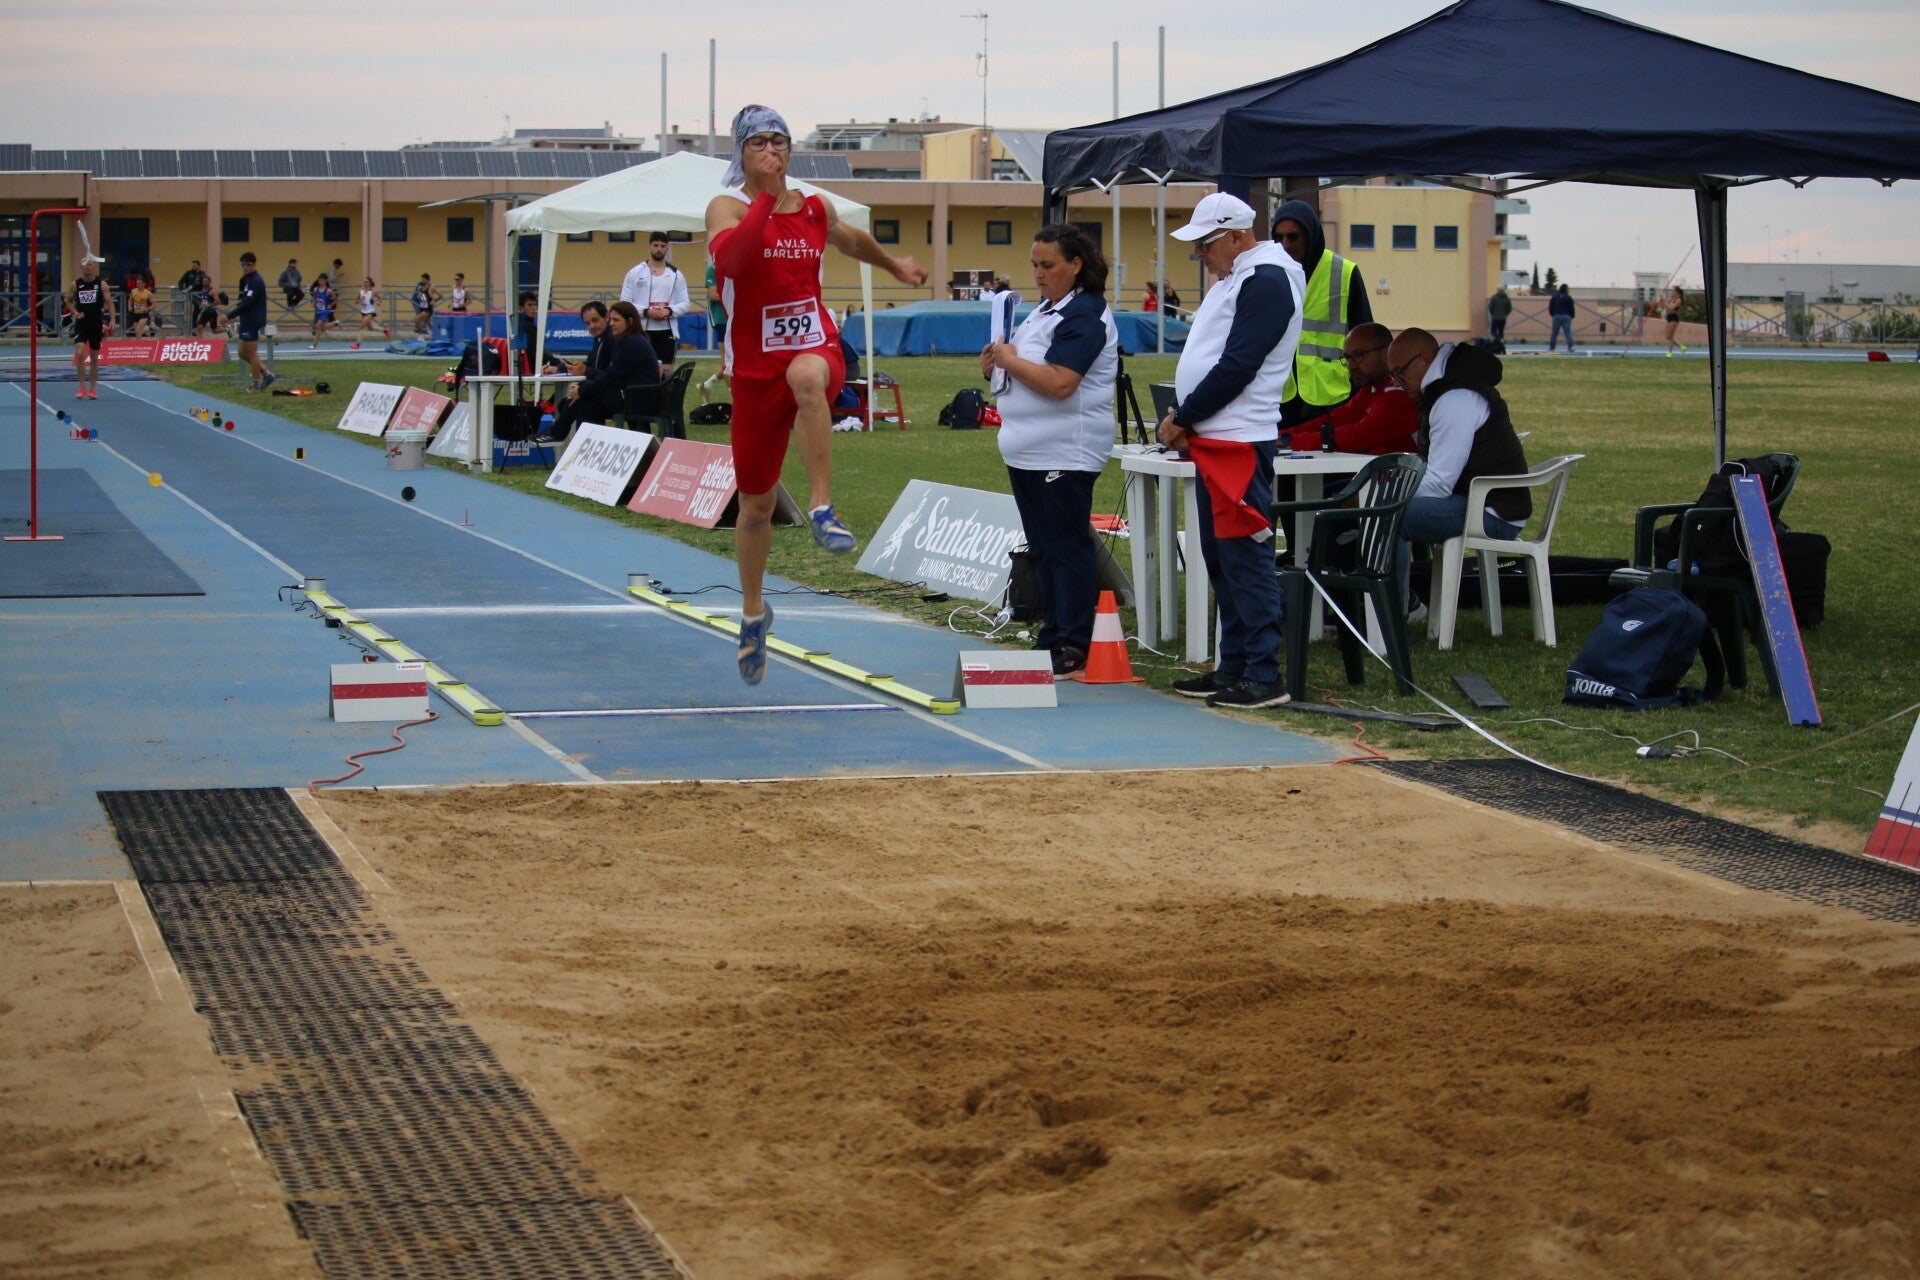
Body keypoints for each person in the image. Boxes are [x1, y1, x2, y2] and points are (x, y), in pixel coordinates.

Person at [707, 103, 928, 684]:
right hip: (754, 369)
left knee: (809, 377)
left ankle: (822, 506)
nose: (771, 151)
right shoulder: (728, 207)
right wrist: (764, 200)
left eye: (779, 141)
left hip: (812, 343)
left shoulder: (813, 207)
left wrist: (894, 265)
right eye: (758, 143)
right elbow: (732, 260)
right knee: (754, 507)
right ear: (741, 153)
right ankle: (752, 612)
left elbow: (852, 240)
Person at [1155, 192, 1303, 710]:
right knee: (1222, 557)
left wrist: (1183, 415)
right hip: (1217, 435)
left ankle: (1264, 674)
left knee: (1246, 556)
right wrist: (1184, 413)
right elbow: (1215, 357)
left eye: (1205, 243)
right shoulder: (1241, 276)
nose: (1198, 254)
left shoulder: (1267, 278)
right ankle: (1235, 666)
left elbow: (1239, 364)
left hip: (1237, 437)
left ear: (1237, 236)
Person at [981, 224, 1119, 677]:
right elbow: (1026, 368)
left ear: (1076, 264)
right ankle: (1054, 633)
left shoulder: (1085, 313)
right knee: (1043, 547)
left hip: (1065, 450)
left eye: (1048, 265)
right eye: (1034, 265)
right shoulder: (1045, 309)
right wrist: (996, 368)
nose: (1039, 274)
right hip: (1028, 448)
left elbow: (1061, 382)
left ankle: (1073, 641)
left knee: (1065, 547)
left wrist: (1011, 361)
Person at [1385, 327, 1531, 607]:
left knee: (1386, 516)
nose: (1397, 382)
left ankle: (1391, 613)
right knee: (1384, 510)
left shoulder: (1455, 398)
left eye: (1400, 372)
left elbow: (1438, 484)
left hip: (1493, 513)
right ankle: (1389, 609)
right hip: (1483, 502)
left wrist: (1380, 495)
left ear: (1425, 359)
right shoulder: (1448, 388)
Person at [1272, 199, 1373, 430]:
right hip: (1281, 397)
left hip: (1333, 396)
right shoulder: (1270, 273)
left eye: (1293, 236)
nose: (1285, 244)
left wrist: (1363, 391)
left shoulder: (1343, 272)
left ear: (1310, 235)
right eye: (1279, 237)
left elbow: (1366, 335)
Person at [1279, 322, 1416, 455]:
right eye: (1347, 358)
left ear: (1386, 353)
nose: (1351, 365)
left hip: (1399, 471)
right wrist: (1282, 436)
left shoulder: (1402, 394)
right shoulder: (1371, 389)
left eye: (1358, 356)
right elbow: (1335, 420)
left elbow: (1357, 436)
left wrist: (1289, 442)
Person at [541, 300, 657, 444]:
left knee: (581, 402)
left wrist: (582, 390)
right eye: (587, 323)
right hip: (631, 395)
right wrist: (563, 370)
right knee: (582, 403)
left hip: (637, 399)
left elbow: (610, 377)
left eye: (616, 320)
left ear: (629, 321)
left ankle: (562, 436)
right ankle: (569, 440)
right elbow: (600, 371)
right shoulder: (623, 340)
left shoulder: (628, 342)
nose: (612, 323)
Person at [621, 232, 692, 368]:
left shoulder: (676, 274)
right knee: (641, 369)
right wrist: (646, 311)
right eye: (655, 245)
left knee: (665, 372)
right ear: (649, 247)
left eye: (662, 246)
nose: (659, 249)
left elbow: (685, 303)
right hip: (641, 330)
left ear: (667, 249)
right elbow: (624, 303)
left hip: (667, 331)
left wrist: (669, 311)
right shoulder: (635, 273)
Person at [67, 257, 114, 399]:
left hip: (96, 323)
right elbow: (68, 301)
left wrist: (112, 319)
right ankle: (82, 387)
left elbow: (109, 302)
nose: (88, 267)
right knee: (80, 353)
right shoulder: (75, 285)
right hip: (82, 323)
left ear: (94, 267)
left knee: (94, 357)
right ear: (81, 268)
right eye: (85, 265)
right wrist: (75, 312)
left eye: (90, 265)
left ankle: (92, 389)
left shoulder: (101, 284)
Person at [228, 251, 272, 391]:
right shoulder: (246, 280)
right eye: (242, 265)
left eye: (247, 265)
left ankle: (255, 384)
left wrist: (229, 316)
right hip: (246, 319)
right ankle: (266, 374)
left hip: (254, 320)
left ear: (254, 264)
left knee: (252, 353)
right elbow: (241, 300)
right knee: (242, 352)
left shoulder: (256, 281)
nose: (245, 267)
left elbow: (247, 303)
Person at [700, 261, 730, 404]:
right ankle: (734, 396)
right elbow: (713, 295)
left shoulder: (735, 266)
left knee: (734, 359)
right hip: (721, 317)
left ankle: (707, 385)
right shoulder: (713, 268)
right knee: (728, 359)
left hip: (734, 317)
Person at [309, 274, 336, 347]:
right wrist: (313, 303)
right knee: (322, 328)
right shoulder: (315, 289)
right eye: (319, 280)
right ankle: (335, 324)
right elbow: (314, 297)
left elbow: (335, 299)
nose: (319, 281)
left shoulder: (329, 291)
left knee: (318, 326)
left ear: (325, 281)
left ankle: (314, 345)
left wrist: (331, 305)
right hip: (318, 310)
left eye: (321, 280)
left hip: (325, 310)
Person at [1548, 283, 1576, 352]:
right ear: (1565, 289)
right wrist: (1572, 315)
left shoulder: (1554, 297)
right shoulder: (1568, 297)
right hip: (1566, 316)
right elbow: (1572, 308)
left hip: (1557, 316)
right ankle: (1571, 347)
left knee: (1554, 333)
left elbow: (1550, 307)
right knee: (1568, 333)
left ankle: (1552, 348)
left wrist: (1553, 314)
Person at [1662, 284, 1687, 356]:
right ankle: (1682, 347)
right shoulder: (1670, 299)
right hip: (1669, 317)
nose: (1672, 292)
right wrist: (1662, 298)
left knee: (1671, 336)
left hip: (1674, 318)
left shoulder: (1679, 300)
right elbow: (1666, 305)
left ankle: (1670, 353)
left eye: (1673, 291)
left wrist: (1666, 303)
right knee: (1668, 337)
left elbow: (1671, 308)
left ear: (1677, 292)